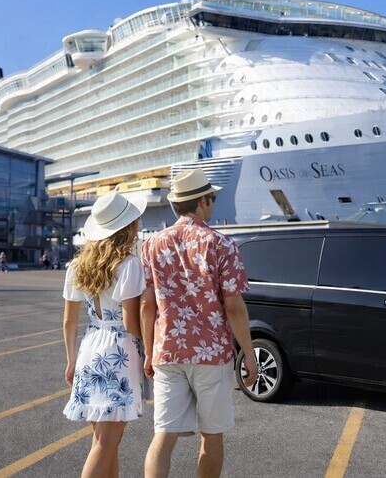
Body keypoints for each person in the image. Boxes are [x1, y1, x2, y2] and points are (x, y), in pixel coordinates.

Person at [140, 169, 258, 478]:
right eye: (212, 198)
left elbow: (147, 305)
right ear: (202, 201)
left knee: (163, 435)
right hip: (212, 354)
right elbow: (234, 308)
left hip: (167, 350)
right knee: (211, 435)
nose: (213, 203)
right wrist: (249, 354)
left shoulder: (152, 244)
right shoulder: (221, 244)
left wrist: (148, 351)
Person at [62, 192, 148, 478]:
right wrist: (149, 349)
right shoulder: (129, 264)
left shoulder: (78, 266)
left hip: (90, 347)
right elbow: (131, 320)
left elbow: (68, 320)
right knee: (106, 443)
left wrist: (71, 361)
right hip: (119, 351)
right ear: (128, 227)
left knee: (105, 443)